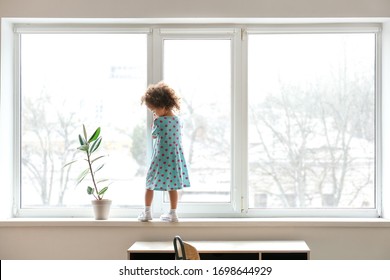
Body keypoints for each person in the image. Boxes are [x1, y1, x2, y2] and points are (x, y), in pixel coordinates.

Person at [138, 82, 190, 222]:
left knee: (149, 184)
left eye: (154, 110)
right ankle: (173, 213)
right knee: (172, 186)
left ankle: (147, 212)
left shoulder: (160, 122)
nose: (154, 113)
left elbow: (154, 136)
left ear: (163, 106)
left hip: (161, 158)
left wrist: (154, 122)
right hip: (174, 159)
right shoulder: (178, 121)